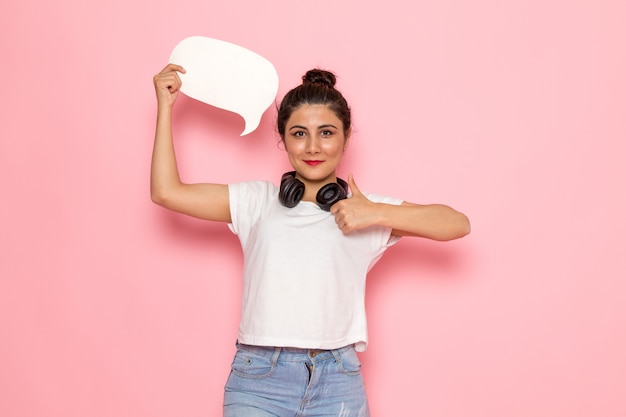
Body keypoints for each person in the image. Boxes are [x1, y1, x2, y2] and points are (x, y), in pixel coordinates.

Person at [151, 63, 470, 417]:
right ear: (283, 139)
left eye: (327, 132)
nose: (313, 146)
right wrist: (166, 107)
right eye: (299, 133)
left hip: (338, 381)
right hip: (258, 378)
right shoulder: (255, 201)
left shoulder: (366, 209)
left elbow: (456, 223)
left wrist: (377, 213)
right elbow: (167, 192)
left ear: (346, 138)